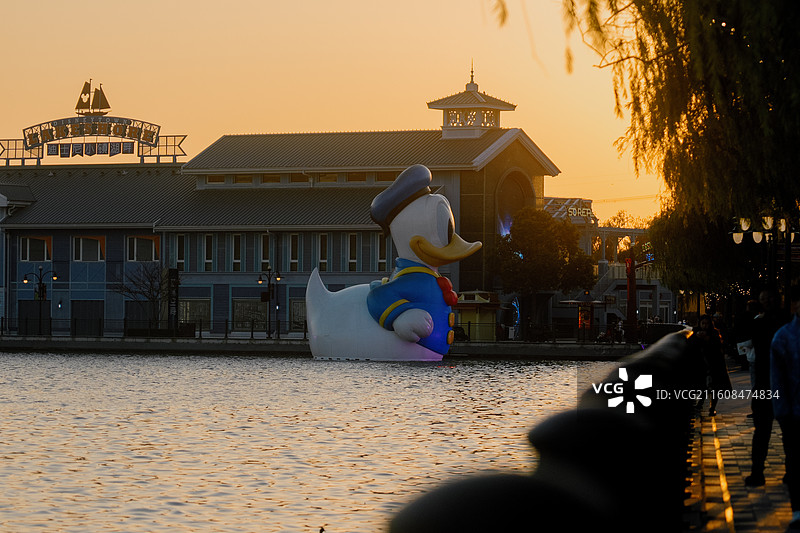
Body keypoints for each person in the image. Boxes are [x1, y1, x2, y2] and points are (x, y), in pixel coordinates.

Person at [746, 289, 787, 487]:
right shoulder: (788, 323)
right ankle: (790, 472)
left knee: (762, 431)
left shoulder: (758, 324)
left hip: (765, 382)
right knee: (789, 432)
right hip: (784, 383)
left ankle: (757, 473)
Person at [771, 284, 800, 531]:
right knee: (794, 460)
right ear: (794, 306)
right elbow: (777, 380)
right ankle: (798, 509)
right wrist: (781, 412)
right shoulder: (783, 337)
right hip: (793, 413)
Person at [691, 314, 732, 416]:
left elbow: (718, 347)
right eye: (703, 323)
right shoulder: (695, 332)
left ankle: (712, 407)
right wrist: (697, 337)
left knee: (715, 387)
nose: (705, 326)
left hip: (715, 363)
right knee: (703, 385)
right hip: (702, 363)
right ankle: (700, 404)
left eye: (707, 324)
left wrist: (707, 340)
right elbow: (691, 344)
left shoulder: (714, 333)